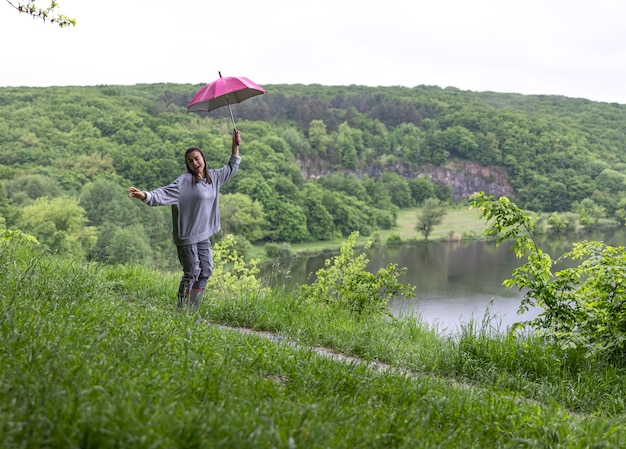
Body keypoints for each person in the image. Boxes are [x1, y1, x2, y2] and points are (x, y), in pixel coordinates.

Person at [127, 129, 241, 312]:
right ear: (187, 164)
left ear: (203, 158)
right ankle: (182, 312)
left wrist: (235, 144)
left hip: (203, 234)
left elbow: (232, 167)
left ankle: (192, 312)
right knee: (192, 272)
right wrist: (144, 195)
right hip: (187, 236)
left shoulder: (214, 177)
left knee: (205, 271)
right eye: (190, 161)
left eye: (197, 158)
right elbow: (162, 193)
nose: (195, 163)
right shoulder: (185, 182)